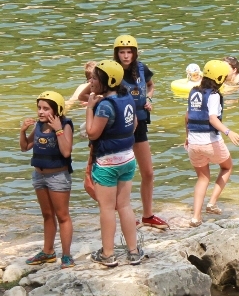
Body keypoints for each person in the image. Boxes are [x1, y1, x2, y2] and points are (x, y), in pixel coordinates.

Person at [81, 36, 168, 229]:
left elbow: (151, 86)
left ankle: (147, 215)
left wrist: (149, 100)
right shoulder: (109, 71)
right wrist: (104, 103)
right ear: (116, 53)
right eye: (122, 52)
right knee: (108, 176)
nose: (126, 55)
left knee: (148, 172)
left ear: (135, 53)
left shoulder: (142, 69)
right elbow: (84, 95)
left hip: (139, 125)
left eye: (129, 52)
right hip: (116, 129)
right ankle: (123, 214)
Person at [85, 60, 143, 267]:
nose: (91, 81)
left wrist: (90, 108)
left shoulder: (104, 107)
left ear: (107, 81)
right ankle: (134, 252)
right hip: (128, 159)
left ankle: (108, 254)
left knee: (107, 209)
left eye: (94, 78)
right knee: (125, 205)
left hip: (107, 164)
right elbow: (134, 124)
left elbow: (92, 132)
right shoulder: (126, 96)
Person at [19, 91, 75, 269]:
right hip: (39, 175)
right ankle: (48, 251)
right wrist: (22, 131)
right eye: (39, 108)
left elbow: (66, 152)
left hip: (57, 177)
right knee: (47, 215)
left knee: (62, 216)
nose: (41, 112)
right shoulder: (38, 126)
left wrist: (58, 129)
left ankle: (66, 256)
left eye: (46, 108)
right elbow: (25, 147)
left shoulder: (65, 125)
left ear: (57, 110)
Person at [185, 60, 239, 227]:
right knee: (227, 167)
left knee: (202, 178)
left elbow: (187, 116)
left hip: (193, 142)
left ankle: (196, 217)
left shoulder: (194, 91)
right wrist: (229, 132)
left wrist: (187, 137)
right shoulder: (215, 95)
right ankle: (212, 203)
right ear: (219, 78)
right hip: (209, 141)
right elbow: (212, 118)